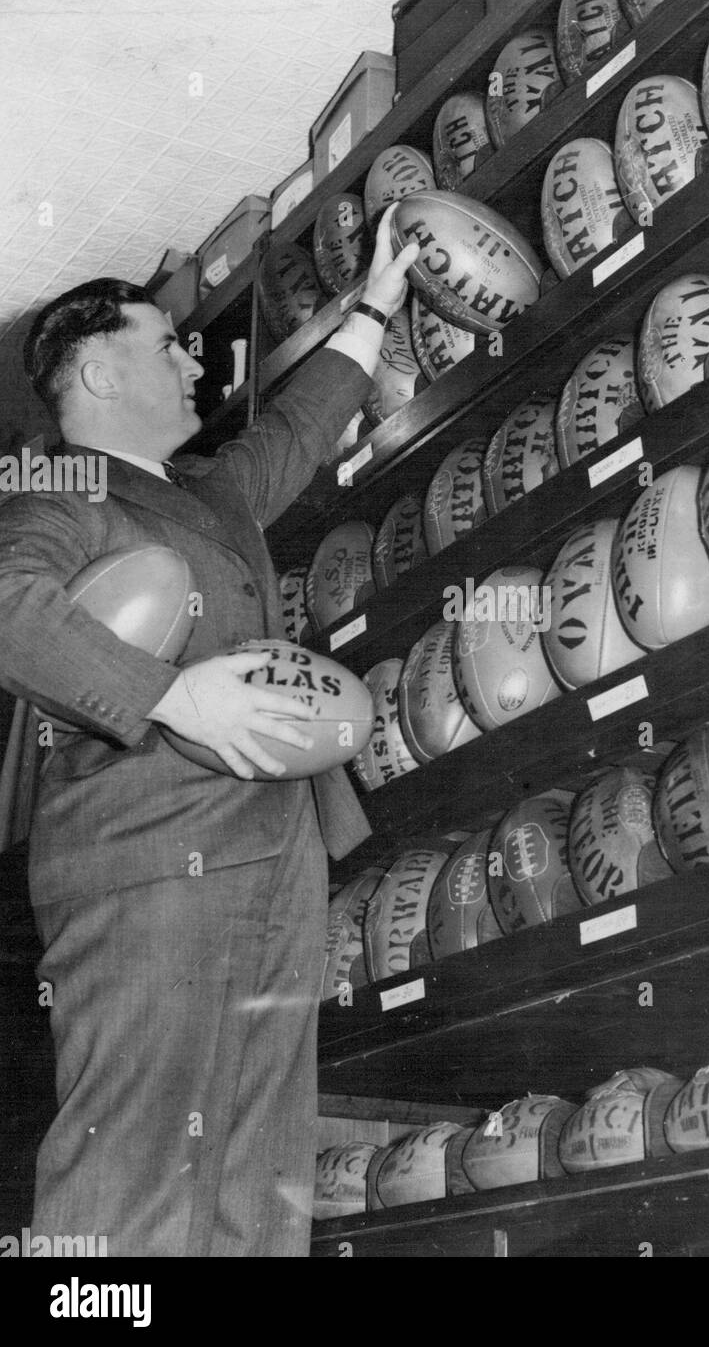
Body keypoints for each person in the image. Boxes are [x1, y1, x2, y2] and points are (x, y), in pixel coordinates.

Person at [0, 204, 418, 1256]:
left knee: (257, 1176)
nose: (192, 364)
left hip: (273, 867)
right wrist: (174, 696)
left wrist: (373, 307)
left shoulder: (207, 492)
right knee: (129, 1172)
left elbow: (297, 429)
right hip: (144, 876)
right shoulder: (56, 491)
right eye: (164, 346)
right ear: (94, 372)